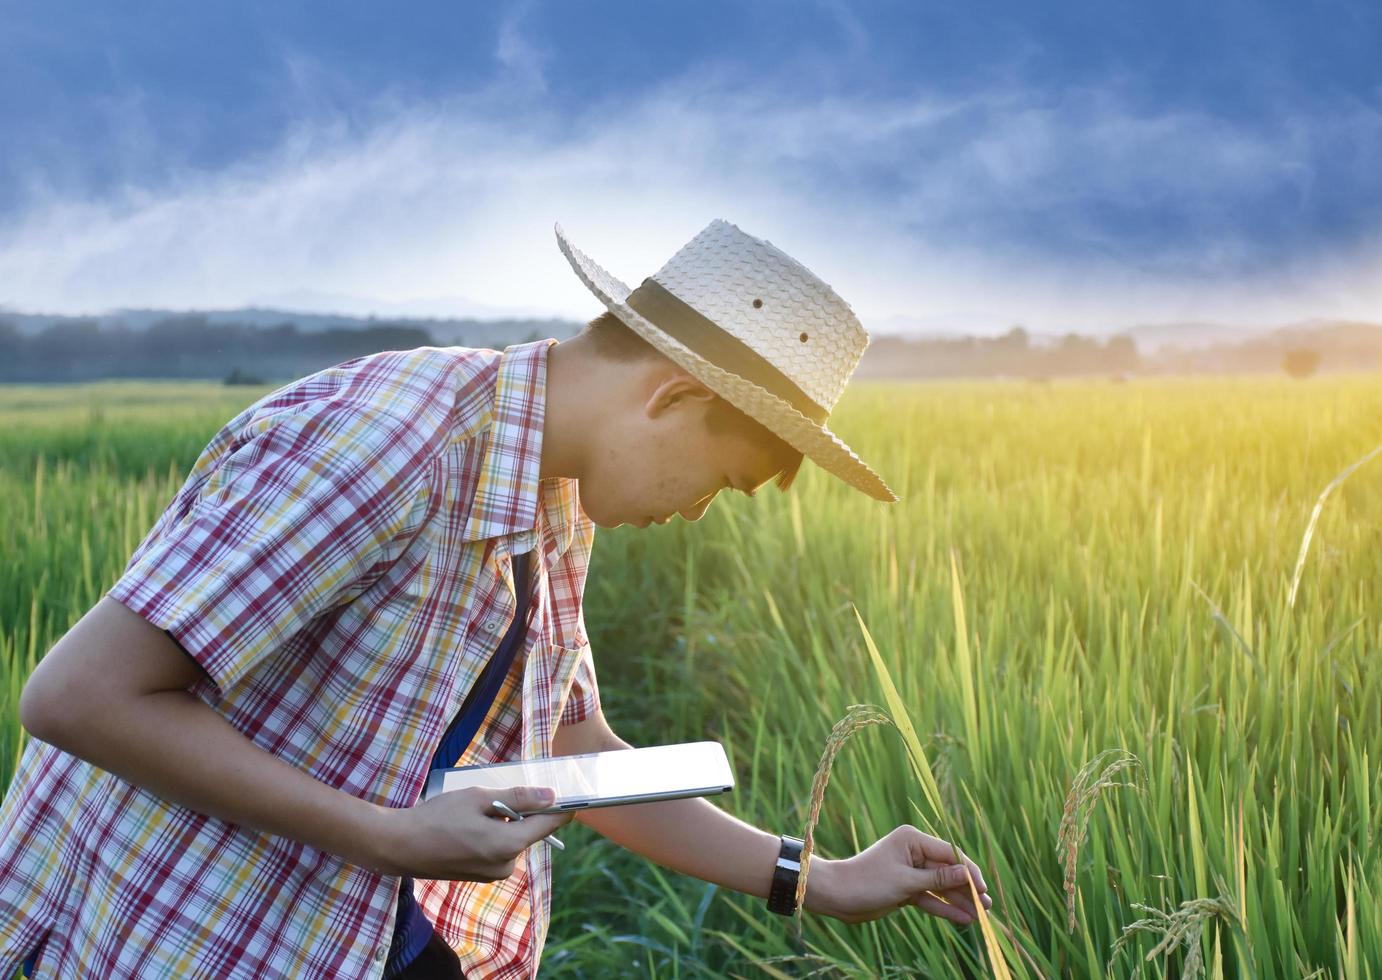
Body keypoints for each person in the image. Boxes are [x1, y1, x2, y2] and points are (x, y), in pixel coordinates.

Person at [1, 219, 991, 979]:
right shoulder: (385, 444)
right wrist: (389, 834)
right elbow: (78, 696)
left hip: (338, 926)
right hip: (177, 930)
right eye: (713, 481)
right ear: (674, 398)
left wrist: (818, 875)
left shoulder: (553, 489)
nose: (694, 511)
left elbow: (566, 745)